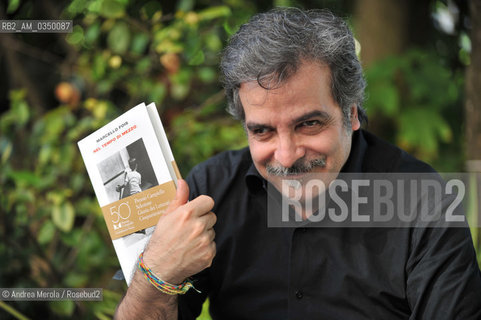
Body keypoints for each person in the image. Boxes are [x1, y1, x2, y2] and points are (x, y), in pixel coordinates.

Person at [115, 8, 481, 319]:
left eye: (308, 124)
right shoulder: (209, 190)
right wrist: (156, 272)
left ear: (351, 113)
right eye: (262, 132)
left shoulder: (423, 200)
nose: (286, 156)